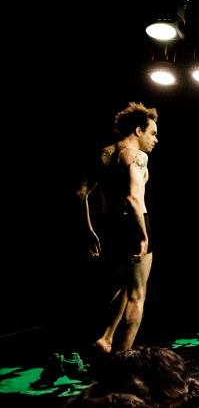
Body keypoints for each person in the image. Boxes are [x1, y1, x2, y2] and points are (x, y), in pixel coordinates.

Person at [77, 102, 159, 354]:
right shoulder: (138, 156)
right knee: (138, 294)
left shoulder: (104, 154)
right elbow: (133, 198)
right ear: (138, 130)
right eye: (152, 133)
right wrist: (143, 236)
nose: (155, 140)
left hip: (109, 227)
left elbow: (80, 193)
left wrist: (88, 230)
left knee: (125, 285)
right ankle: (122, 360)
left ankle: (106, 338)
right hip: (134, 224)